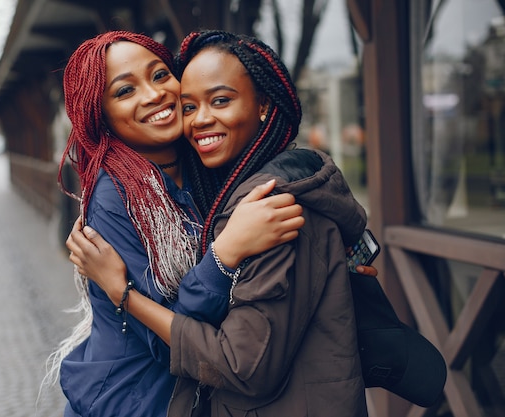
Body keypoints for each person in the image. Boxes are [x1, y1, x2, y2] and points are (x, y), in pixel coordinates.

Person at [68, 30, 375, 417]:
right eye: (125, 91)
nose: (154, 94)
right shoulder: (116, 198)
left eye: (161, 75)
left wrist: (327, 259)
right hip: (142, 399)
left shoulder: (206, 168)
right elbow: (169, 342)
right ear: (101, 115)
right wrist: (224, 254)